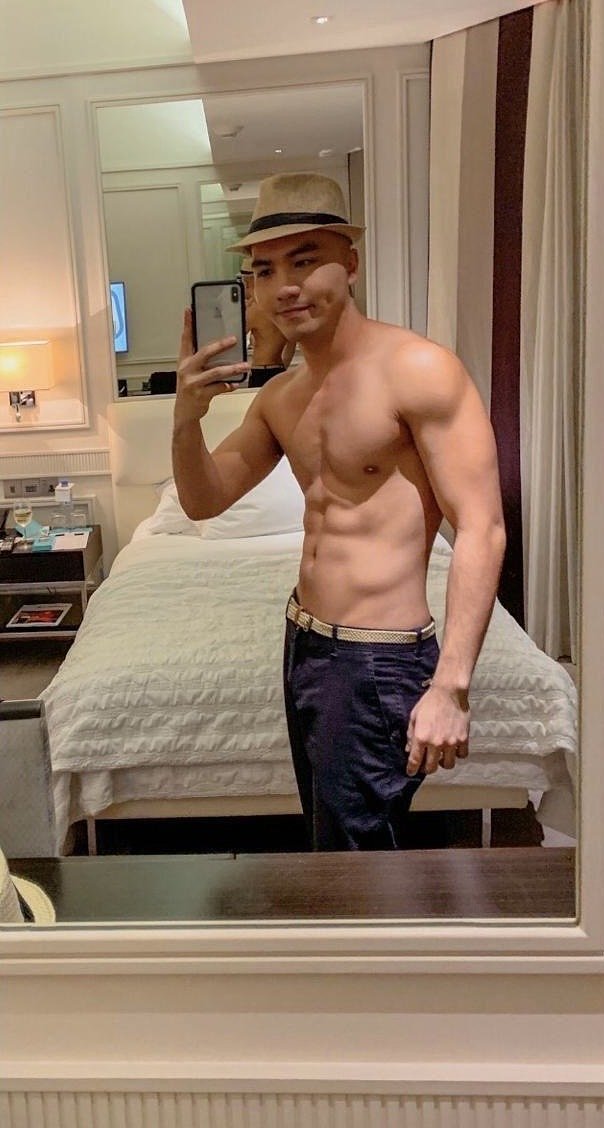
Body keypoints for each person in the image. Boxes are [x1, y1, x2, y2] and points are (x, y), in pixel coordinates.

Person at [172, 172, 506, 851]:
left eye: (305, 261)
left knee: (356, 859)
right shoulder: (281, 397)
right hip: (304, 642)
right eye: (265, 270)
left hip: (377, 656)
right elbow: (204, 499)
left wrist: (451, 687)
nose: (285, 286)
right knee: (334, 841)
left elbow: (482, 527)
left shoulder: (418, 369)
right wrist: (186, 418)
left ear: (349, 264)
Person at [239, 256, 296, 386]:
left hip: (261, 370)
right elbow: (291, 345)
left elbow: (235, 340)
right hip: (279, 368)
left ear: (247, 281)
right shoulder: (280, 306)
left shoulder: (254, 310)